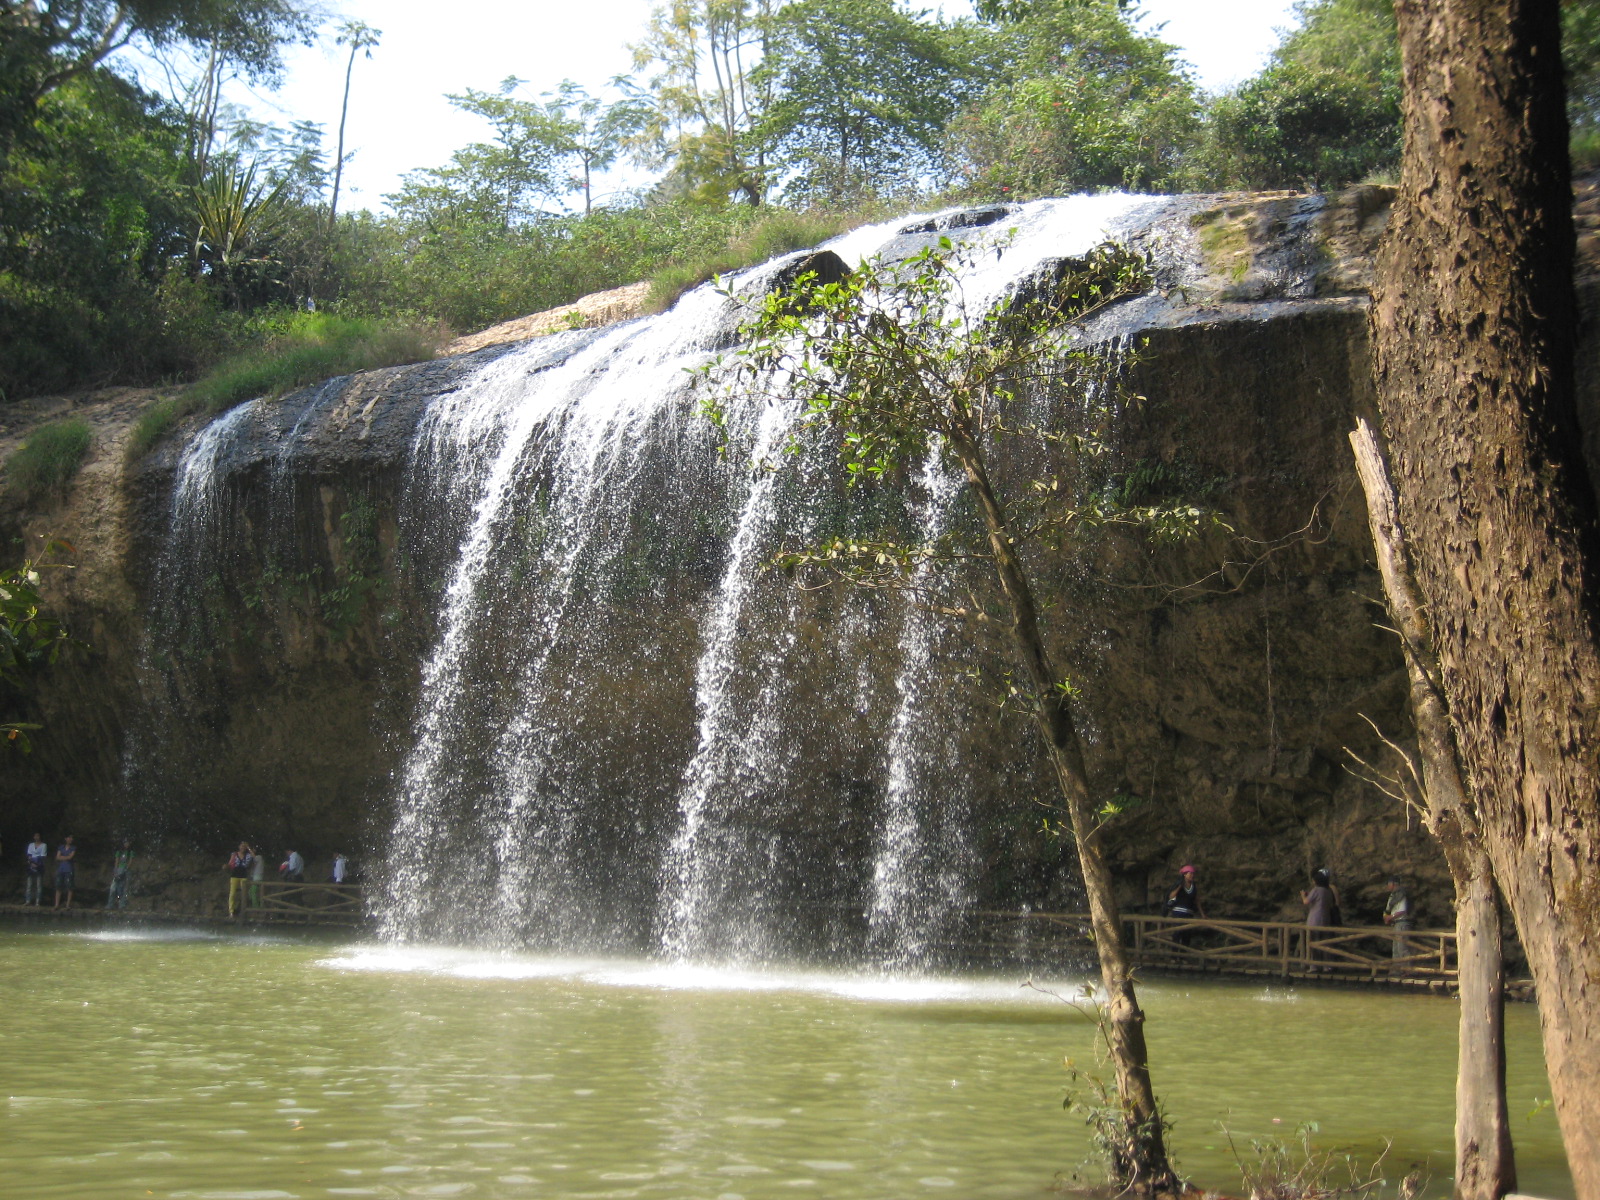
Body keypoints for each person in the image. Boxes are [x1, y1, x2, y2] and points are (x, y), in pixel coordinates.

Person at [1301, 868, 1340, 967]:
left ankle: (1314, 966)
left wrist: (1303, 895)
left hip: (1314, 919)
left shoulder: (1316, 889)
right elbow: (1332, 904)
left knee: (1313, 943)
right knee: (1325, 943)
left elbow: (1306, 902)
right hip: (1325, 919)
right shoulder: (1327, 891)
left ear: (1316, 881)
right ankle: (1327, 966)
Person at [1163, 865, 1205, 948]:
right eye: (1190, 873)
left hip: (1189, 913)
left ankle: (1183, 956)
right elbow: (1171, 896)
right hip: (1178, 913)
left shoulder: (1194, 886)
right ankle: (1174, 956)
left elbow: (1197, 900)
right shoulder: (1179, 884)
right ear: (1185, 874)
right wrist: (1179, 887)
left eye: (1193, 874)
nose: (1192, 875)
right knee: (1177, 933)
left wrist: (1202, 913)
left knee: (1187, 934)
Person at [1382, 875, 1414, 965]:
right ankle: (1397, 970)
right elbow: (1388, 910)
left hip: (1402, 923)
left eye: (1389, 884)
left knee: (1402, 948)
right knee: (1396, 949)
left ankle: (1407, 970)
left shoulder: (1401, 894)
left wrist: (1390, 917)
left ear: (1394, 884)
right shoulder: (1393, 896)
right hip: (1396, 923)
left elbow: (1402, 911)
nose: (1387, 886)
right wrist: (1386, 917)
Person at [226, 842, 254, 918]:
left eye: (244, 847)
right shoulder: (234, 854)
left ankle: (243, 910)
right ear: (239, 847)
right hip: (234, 875)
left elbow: (253, 856)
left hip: (243, 875)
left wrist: (248, 847)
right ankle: (231, 911)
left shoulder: (247, 855)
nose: (243, 848)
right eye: (242, 846)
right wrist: (226, 866)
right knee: (232, 893)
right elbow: (230, 863)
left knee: (244, 893)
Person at [105, 840, 133, 910]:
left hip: (126, 871)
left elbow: (130, 861)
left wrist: (125, 869)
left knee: (124, 889)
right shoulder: (119, 852)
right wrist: (115, 871)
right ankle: (110, 904)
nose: (126, 844)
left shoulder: (130, 852)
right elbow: (116, 861)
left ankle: (121, 905)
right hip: (118, 870)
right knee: (113, 888)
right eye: (125, 843)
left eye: (128, 843)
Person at [53, 835, 76, 909]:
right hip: (61, 869)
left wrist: (62, 857)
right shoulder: (61, 847)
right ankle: (57, 904)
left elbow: (70, 857)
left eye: (71, 838)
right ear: (65, 839)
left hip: (69, 869)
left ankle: (68, 905)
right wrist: (65, 857)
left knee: (69, 887)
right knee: (58, 886)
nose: (70, 839)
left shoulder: (73, 848)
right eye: (69, 837)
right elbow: (57, 857)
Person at [24, 833, 47, 906]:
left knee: (39, 884)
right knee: (29, 884)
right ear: (33, 837)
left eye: (38, 836)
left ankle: (38, 901)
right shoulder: (31, 845)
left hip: (39, 865)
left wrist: (36, 864)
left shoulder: (44, 845)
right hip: (31, 864)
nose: (37, 837)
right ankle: (28, 900)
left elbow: (43, 856)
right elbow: (29, 855)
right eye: (35, 836)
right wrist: (31, 863)